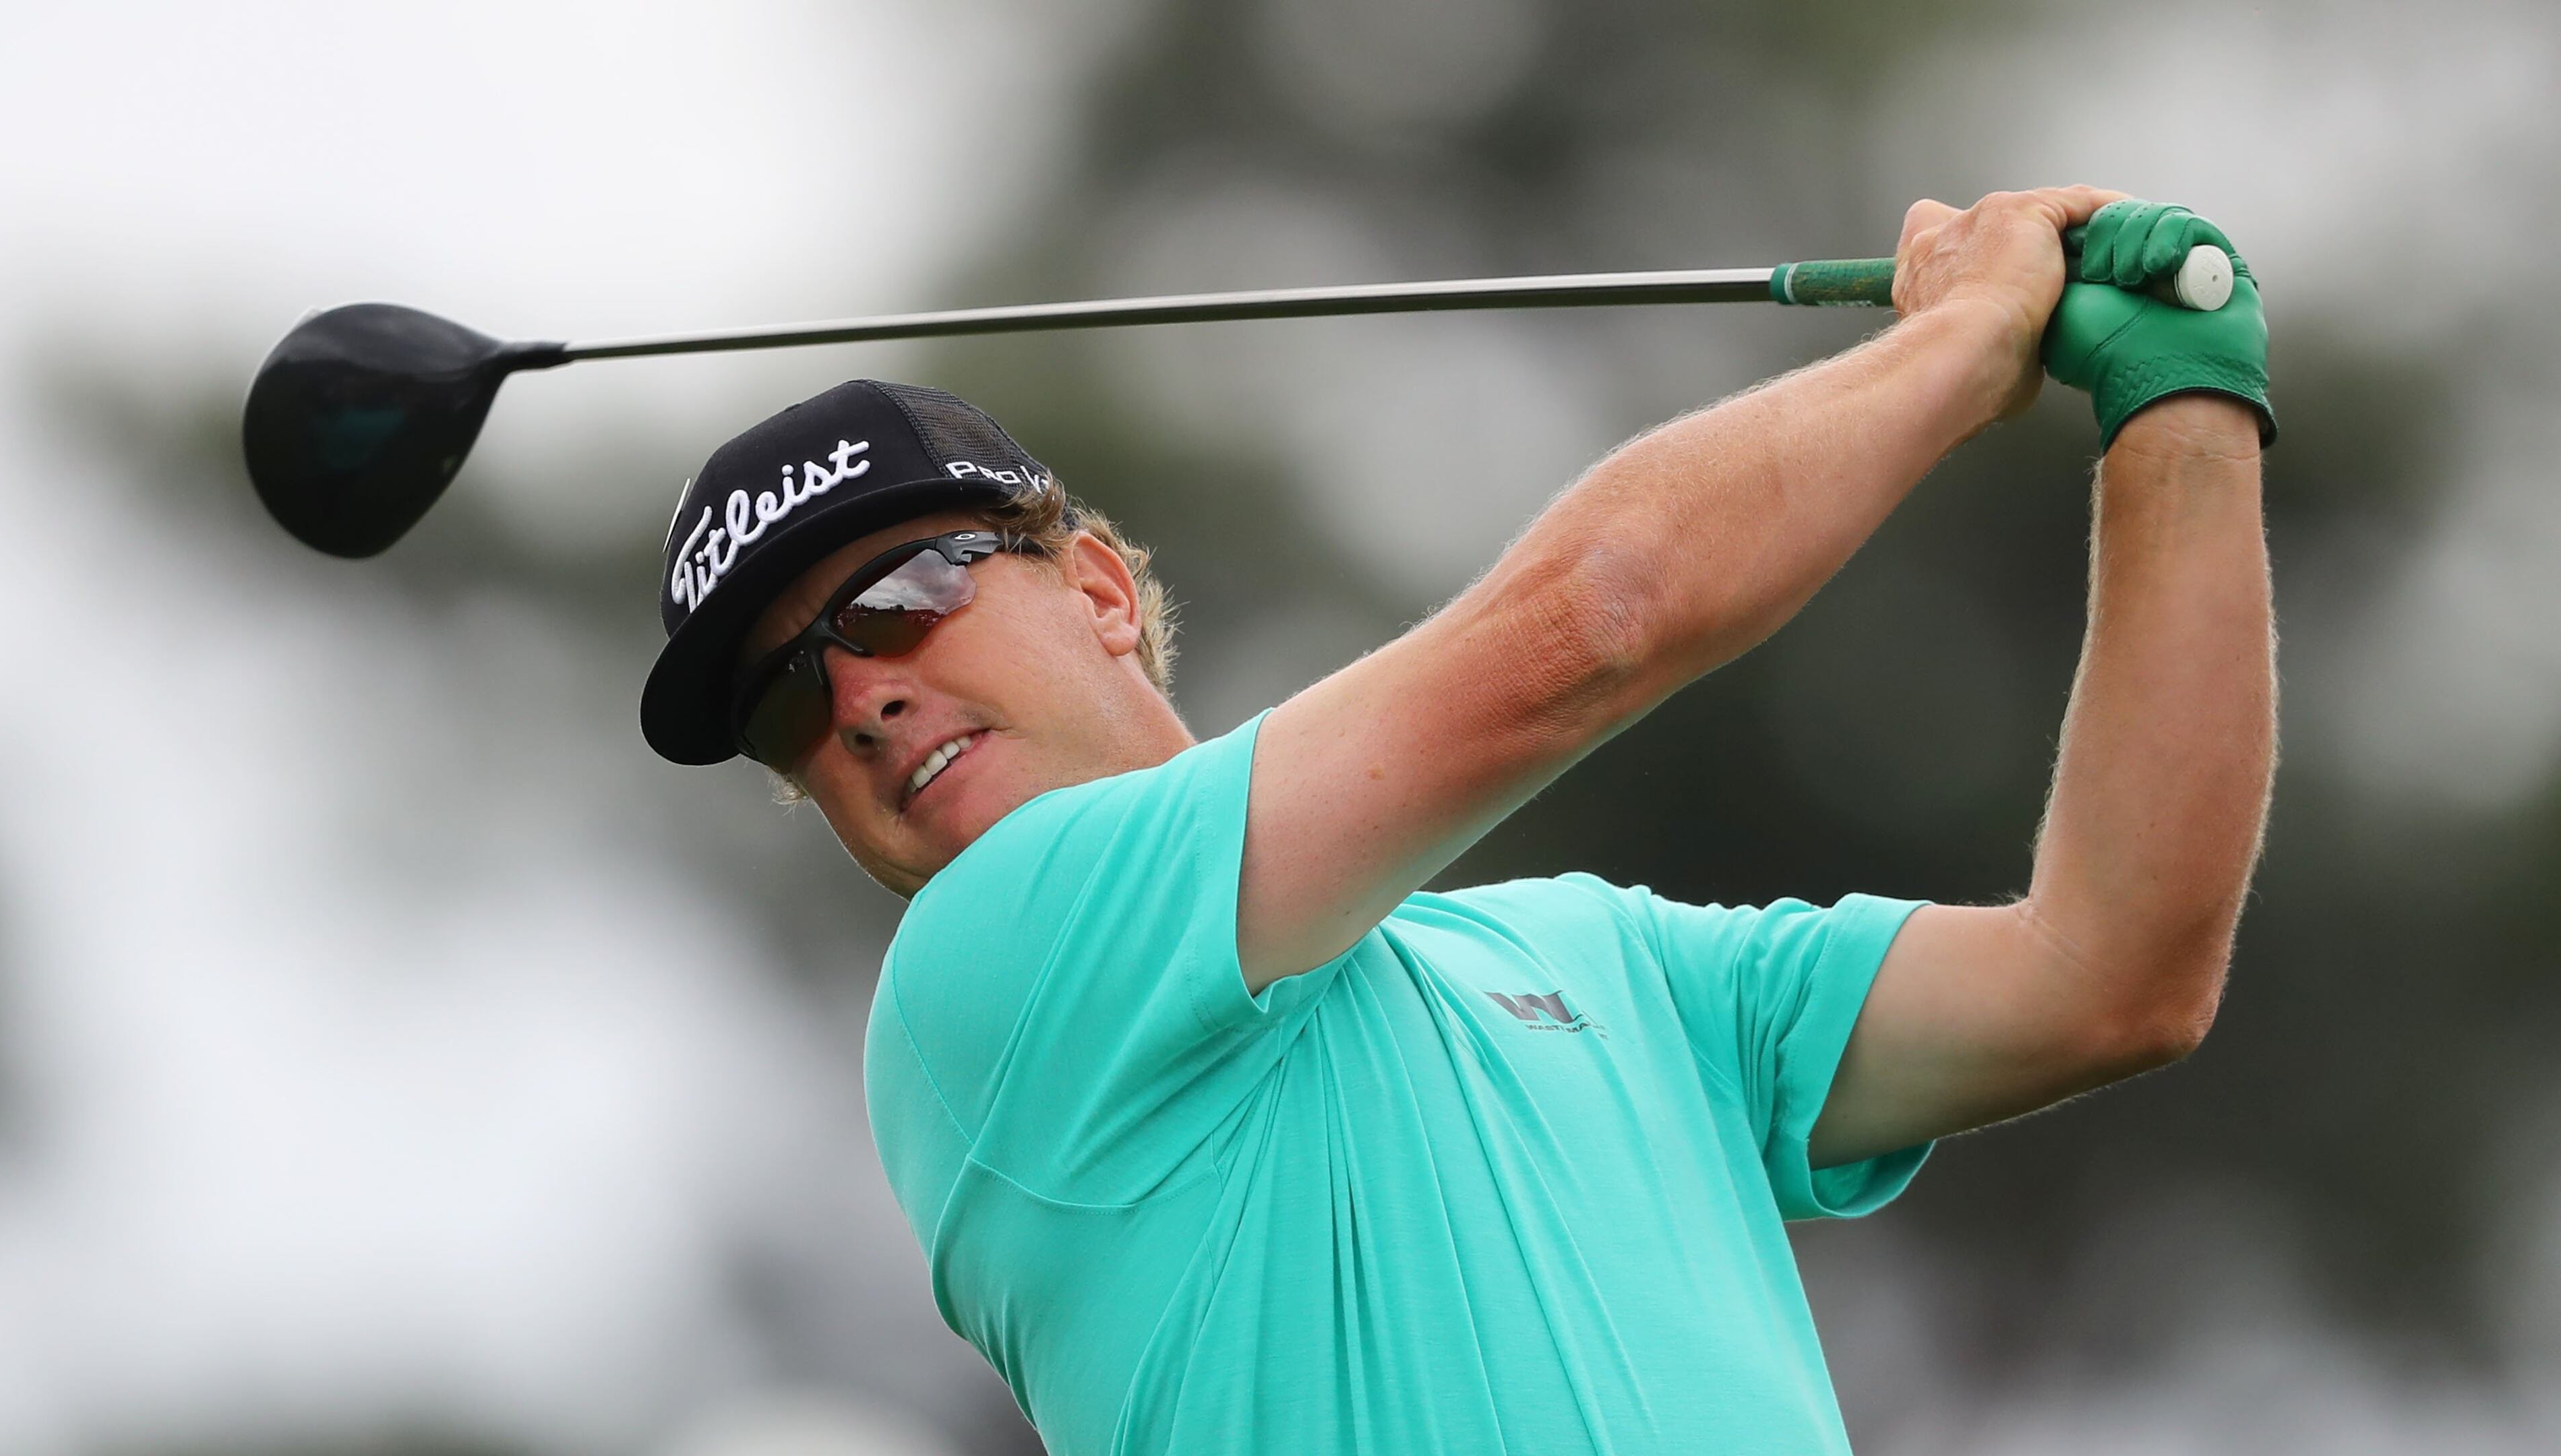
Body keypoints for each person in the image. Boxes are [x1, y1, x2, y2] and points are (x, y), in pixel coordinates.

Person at [636, 188, 2277, 1455]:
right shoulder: (987, 979)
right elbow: (1593, 624)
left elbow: (2109, 975)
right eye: (786, 704)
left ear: (1102, 593)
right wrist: (1971, 337)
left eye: (902, 598)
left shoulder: (1603, 958)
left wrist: (2181, 404)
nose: (859, 699)